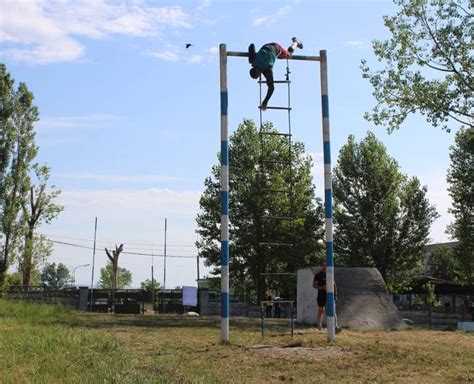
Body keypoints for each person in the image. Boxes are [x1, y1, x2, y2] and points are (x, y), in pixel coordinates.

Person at [248, 37, 303, 110]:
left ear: (258, 72)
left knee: (288, 54)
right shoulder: (252, 60)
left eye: (258, 75)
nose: (260, 76)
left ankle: (296, 43)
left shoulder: (268, 69)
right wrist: (252, 53)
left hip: (277, 47)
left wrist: (265, 102)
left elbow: (271, 88)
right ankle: (276, 53)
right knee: (279, 57)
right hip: (267, 46)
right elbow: (251, 45)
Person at [313, 261, 342, 333]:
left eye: (326, 265)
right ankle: (319, 326)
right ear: (322, 266)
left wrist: (335, 294)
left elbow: (334, 284)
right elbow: (314, 285)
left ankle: (335, 326)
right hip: (321, 295)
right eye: (324, 265)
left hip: (330, 295)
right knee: (321, 310)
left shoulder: (330, 274)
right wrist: (322, 287)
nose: (325, 266)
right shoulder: (318, 275)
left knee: (333, 310)